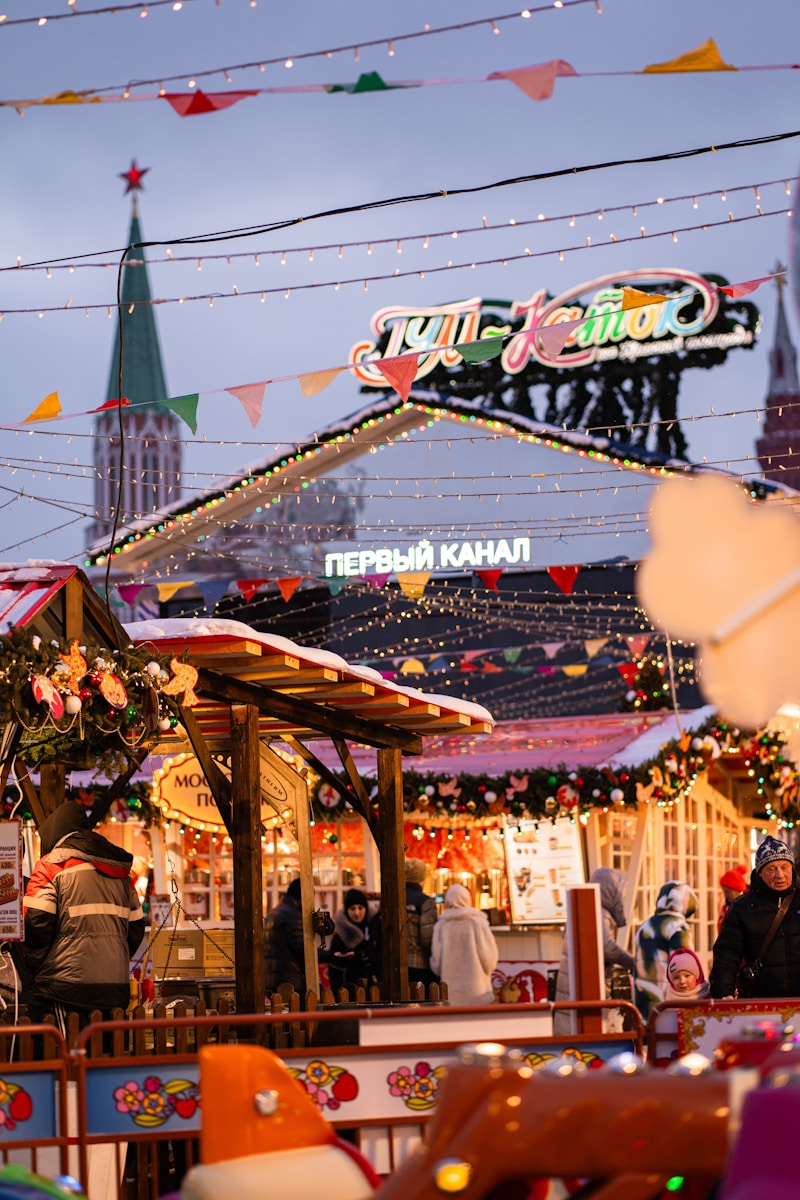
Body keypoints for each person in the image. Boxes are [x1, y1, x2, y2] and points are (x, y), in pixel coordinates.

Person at [22, 801, 146, 1036]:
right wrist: (111, 958)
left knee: (67, 1066)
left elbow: (36, 926)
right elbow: (136, 928)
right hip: (114, 990)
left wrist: (34, 969)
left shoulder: (51, 865)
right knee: (106, 1065)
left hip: (64, 990)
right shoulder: (120, 872)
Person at [710, 836, 800, 1000]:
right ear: (760, 873)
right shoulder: (741, 907)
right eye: (772, 869)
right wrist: (723, 993)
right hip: (760, 1003)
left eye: (784, 867)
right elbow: (727, 954)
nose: (780, 875)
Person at [553, 867, 635, 1036]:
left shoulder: (582, 910)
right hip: (585, 991)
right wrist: (634, 962)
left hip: (570, 989)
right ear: (610, 891)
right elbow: (607, 948)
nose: (622, 898)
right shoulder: (599, 914)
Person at [633, 879, 697, 1020]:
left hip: (641, 998)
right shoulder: (677, 926)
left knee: (648, 1039)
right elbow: (684, 966)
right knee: (668, 1039)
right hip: (667, 1002)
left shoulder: (646, 924)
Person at [430, 884, 498, 1006]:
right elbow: (489, 960)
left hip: (451, 993)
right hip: (478, 990)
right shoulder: (477, 922)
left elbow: (436, 963)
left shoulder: (442, 925)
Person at [324, 887, 380, 992]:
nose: (357, 913)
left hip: (374, 989)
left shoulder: (374, 928)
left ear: (366, 909)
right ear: (347, 910)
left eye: (360, 908)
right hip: (348, 990)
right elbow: (335, 969)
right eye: (352, 909)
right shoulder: (341, 935)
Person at [263, 877, 306, 996]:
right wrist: (330, 955)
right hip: (290, 979)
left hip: (271, 979)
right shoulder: (292, 914)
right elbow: (301, 949)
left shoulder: (275, 912)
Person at [404, 858, 439, 988]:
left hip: (392, 965)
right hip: (419, 965)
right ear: (421, 878)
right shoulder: (425, 902)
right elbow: (427, 938)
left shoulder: (389, 899)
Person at [717, 864, 749, 934]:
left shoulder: (748, 906)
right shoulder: (726, 905)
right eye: (724, 891)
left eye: (728, 892)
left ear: (738, 890)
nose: (725, 895)